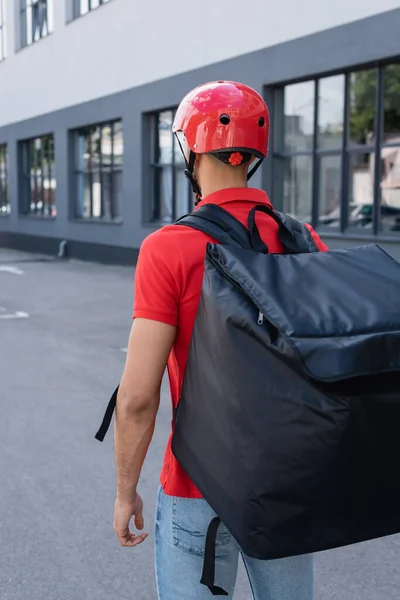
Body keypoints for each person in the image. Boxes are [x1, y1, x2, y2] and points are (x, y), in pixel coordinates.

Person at [112, 80, 328, 599]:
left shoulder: (169, 248)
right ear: (253, 154)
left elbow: (139, 397)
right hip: (288, 481)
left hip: (197, 482)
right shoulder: (304, 240)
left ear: (190, 147)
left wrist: (125, 492)